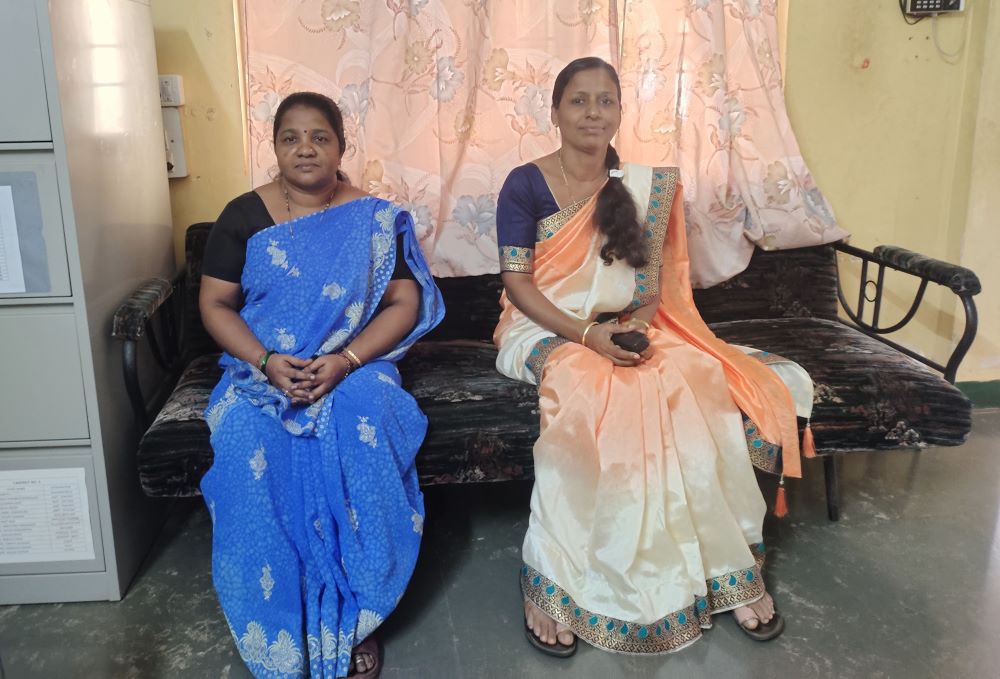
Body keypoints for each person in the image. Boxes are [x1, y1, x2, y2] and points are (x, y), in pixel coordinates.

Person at [494, 57, 813, 657]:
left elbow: (649, 291)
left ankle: (725, 565)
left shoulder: (642, 186)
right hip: (543, 328)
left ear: (620, 111)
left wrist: (632, 330)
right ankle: (554, 578)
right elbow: (519, 287)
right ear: (555, 111)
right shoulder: (526, 183)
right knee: (593, 386)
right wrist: (589, 338)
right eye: (579, 100)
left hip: (618, 327)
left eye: (606, 101)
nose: (593, 112)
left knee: (689, 371)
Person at [198, 91, 443, 678]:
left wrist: (348, 359)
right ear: (274, 145)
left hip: (352, 366)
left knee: (369, 418)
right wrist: (264, 360)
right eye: (290, 137)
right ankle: (281, 621)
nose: (305, 148)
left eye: (319, 137)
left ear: (341, 145)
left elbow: (403, 301)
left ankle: (359, 618)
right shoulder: (242, 215)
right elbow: (214, 303)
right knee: (243, 436)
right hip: (263, 369)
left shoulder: (373, 218)